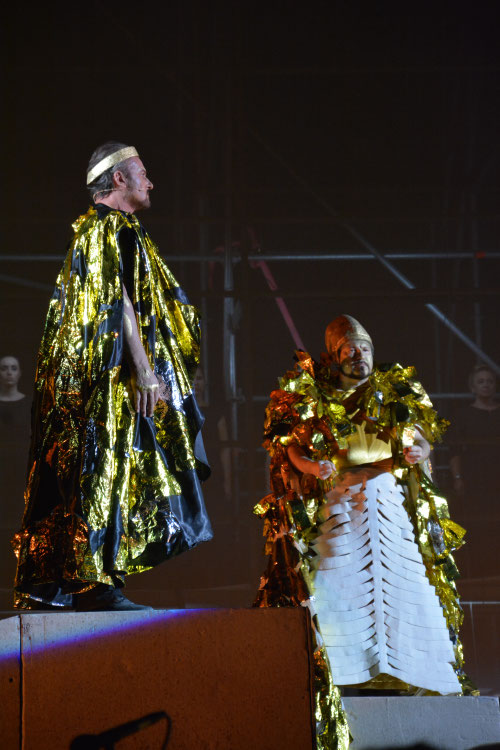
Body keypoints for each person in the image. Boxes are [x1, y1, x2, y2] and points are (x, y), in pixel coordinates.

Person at [12, 142, 212, 611]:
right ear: (118, 179)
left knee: (99, 470)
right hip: (111, 380)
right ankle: (93, 584)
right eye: (142, 172)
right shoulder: (108, 228)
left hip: (96, 380)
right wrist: (144, 370)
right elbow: (116, 301)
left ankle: (82, 580)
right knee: (103, 468)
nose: (151, 181)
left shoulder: (96, 232)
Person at [255, 315, 470, 727]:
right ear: (334, 358)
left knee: (402, 584)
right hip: (339, 502)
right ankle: (343, 674)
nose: (359, 356)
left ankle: (407, 674)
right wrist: (311, 466)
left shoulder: (392, 394)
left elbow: (420, 438)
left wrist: (419, 452)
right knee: (337, 584)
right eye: (349, 350)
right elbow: (291, 446)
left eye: (365, 348)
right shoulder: (312, 396)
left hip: (387, 500)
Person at [448, 364, 500, 584]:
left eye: (489, 381)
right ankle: (480, 576)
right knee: (479, 526)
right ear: (472, 387)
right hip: (476, 477)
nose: (486, 385)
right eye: (481, 381)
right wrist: (458, 478)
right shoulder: (464, 415)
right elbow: (455, 451)